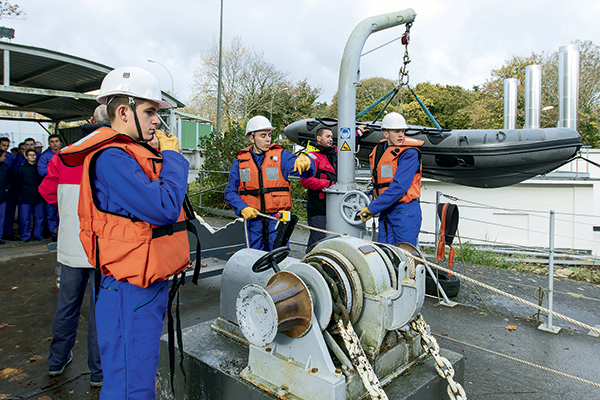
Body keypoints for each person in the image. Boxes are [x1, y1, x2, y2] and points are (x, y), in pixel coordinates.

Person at [59, 66, 190, 399]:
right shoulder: (112, 158)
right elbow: (163, 207)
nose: (156, 121)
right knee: (131, 386)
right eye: (149, 112)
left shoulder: (131, 154)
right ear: (122, 112)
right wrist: (174, 158)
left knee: (136, 377)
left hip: (143, 284)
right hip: (129, 289)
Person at [39, 106, 109, 388]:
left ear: (90, 122)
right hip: (101, 247)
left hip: (70, 245)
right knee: (99, 309)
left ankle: (56, 361)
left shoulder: (63, 155)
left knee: (67, 306)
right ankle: (98, 372)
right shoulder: (113, 154)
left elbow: (46, 191)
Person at [224, 115, 316, 251]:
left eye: (269, 135)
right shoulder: (240, 161)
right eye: (262, 136)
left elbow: (307, 172)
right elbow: (230, 192)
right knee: (254, 259)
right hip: (253, 221)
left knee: (279, 256)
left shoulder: (282, 156)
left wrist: (308, 161)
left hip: (277, 221)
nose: (268, 139)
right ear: (251, 138)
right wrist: (242, 207)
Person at [360, 112, 423, 246]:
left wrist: (372, 208)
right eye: (396, 131)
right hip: (386, 210)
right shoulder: (379, 150)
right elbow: (381, 183)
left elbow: (399, 187)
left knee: (406, 255)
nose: (401, 135)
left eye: (402, 131)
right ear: (386, 133)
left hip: (405, 211)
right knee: (385, 253)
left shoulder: (409, 153)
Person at [300, 128, 337, 249]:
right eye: (327, 136)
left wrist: (358, 133)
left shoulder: (333, 154)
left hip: (333, 207)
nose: (331, 139)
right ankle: (311, 262)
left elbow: (347, 145)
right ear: (319, 138)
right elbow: (306, 180)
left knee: (330, 239)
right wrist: (329, 184)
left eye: (331, 137)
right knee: (319, 240)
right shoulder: (311, 157)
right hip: (318, 207)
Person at [15, 149, 45, 243]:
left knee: (39, 218)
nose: (32, 156)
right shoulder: (22, 168)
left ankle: (38, 235)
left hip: (38, 196)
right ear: (26, 156)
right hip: (25, 196)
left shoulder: (39, 167)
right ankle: (25, 236)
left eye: (34, 155)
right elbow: (17, 183)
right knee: (25, 219)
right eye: (30, 155)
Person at [38, 134, 62, 241]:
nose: (55, 143)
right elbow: (41, 171)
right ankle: (54, 234)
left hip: (63, 187)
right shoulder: (45, 157)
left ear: (60, 142)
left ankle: (63, 232)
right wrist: (56, 170)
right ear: (49, 143)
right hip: (51, 188)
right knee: (51, 213)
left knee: (64, 212)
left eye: (56, 141)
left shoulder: (65, 153)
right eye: (52, 142)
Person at [0, 138, 16, 240]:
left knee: (7, 213)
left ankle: (6, 232)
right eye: (3, 145)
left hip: (6, 191)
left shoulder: (11, 158)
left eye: (7, 146)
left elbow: (12, 176)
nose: (5, 148)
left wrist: (7, 188)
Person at [0, 149, 10, 245]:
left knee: (1, 217)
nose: (5, 157)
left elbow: (8, 179)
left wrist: (7, 189)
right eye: (3, 156)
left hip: (2, 195)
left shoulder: (5, 167)